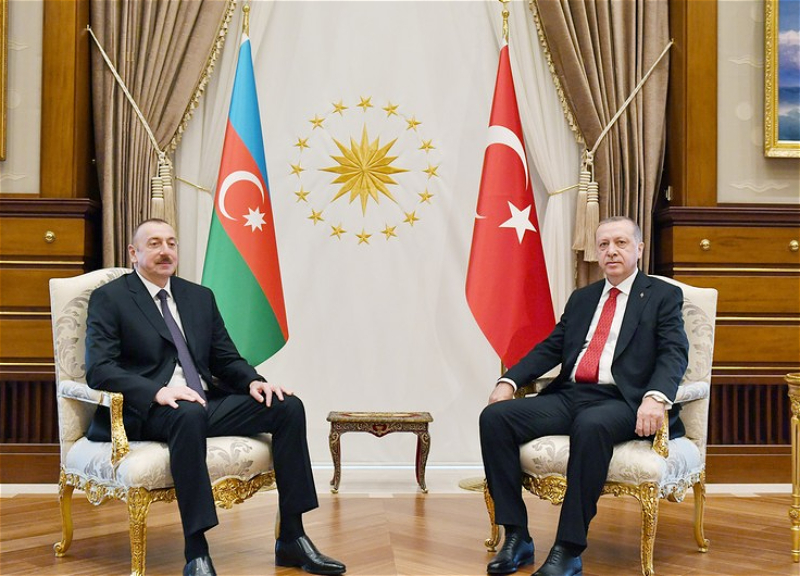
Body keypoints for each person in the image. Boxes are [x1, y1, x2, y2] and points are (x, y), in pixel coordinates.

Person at [85, 219, 346, 576]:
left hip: (202, 403)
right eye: (155, 243)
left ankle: (292, 537)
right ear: (134, 252)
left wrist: (253, 382)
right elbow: (99, 369)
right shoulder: (111, 298)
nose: (165, 251)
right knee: (188, 412)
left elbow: (225, 358)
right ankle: (196, 552)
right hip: (149, 409)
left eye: (171, 243)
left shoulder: (198, 297)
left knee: (287, 407)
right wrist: (158, 391)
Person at [479, 216, 689, 576]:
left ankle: (568, 548)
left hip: (623, 400)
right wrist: (509, 381)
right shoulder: (583, 298)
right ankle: (516, 536)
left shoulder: (662, 295)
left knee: (591, 424)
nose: (611, 251)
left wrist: (656, 397)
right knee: (495, 418)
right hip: (571, 394)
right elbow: (551, 347)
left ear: (639, 249)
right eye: (604, 244)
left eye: (621, 243)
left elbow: (674, 352)